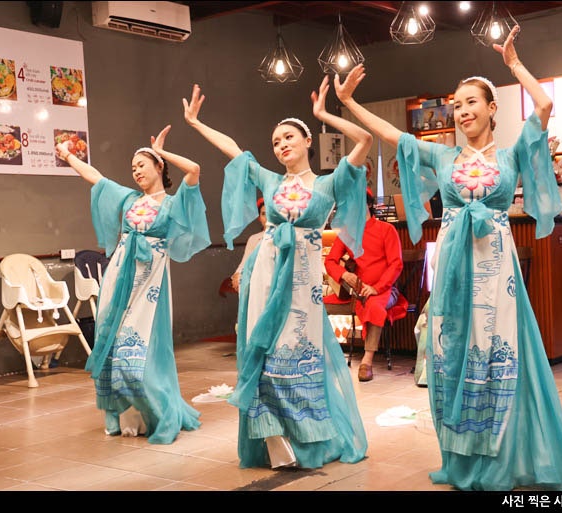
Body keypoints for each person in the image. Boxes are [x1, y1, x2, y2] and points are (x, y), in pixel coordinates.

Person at [334, 25, 562, 491]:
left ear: (492, 108)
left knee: (499, 353)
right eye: (456, 105)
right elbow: (393, 135)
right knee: (452, 354)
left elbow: (543, 106)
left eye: (471, 102)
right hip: (453, 270)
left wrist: (514, 63)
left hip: (496, 269)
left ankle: (503, 455)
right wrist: (350, 102)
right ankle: (462, 459)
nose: (462, 111)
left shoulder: (511, 155)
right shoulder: (443, 157)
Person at [183, 75, 373, 469]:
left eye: (288, 137)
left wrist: (324, 113)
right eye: (275, 141)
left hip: (303, 281)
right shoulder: (270, 181)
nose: (282, 144)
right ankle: (274, 441)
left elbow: (365, 141)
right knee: (265, 353)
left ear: (307, 141)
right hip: (265, 274)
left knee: (298, 352)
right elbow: (234, 150)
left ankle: (308, 442)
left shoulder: (327, 184)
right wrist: (197, 123)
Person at [55, 125, 211, 444]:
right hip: (119, 279)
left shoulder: (172, 204)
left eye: (142, 164)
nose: (136, 171)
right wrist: (68, 156)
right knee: (114, 351)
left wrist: (162, 150)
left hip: (150, 286)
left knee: (139, 355)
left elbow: (194, 170)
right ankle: (129, 420)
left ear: (158, 166)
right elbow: (96, 178)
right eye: (133, 168)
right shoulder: (129, 200)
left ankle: (160, 414)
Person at [324, 188, 404, 382]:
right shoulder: (346, 233)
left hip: (386, 290)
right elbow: (330, 261)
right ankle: (322, 355)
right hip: (360, 292)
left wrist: (377, 288)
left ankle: (366, 361)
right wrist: (344, 274)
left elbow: (396, 264)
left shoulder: (386, 229)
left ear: (369, 204)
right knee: (316, 303)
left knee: (375, 305)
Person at [230, 197, 267, 292]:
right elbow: (245, 262)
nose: (267, 218)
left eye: (270, 214)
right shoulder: (254, 239)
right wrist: (238, 274)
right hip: (257, 283)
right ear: (259, 217)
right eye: (263, 214)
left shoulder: (283, 236)